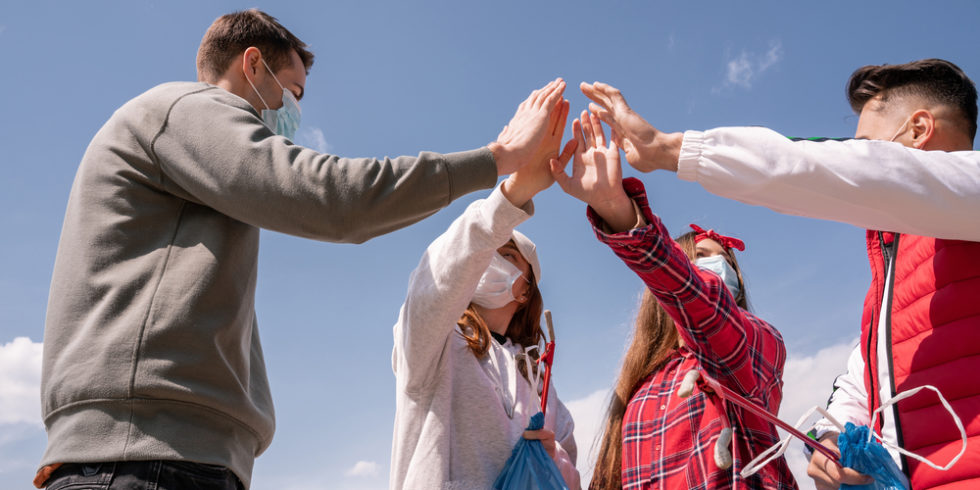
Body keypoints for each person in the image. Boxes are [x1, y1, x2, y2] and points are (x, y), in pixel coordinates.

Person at [35, 9, 570, 490]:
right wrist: (496, 159)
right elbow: (338, 200)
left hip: (172, 458)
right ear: (252, 66)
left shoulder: (202, 178)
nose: (292, 112)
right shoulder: (185, 111)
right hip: (136, 459)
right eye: (292, 91)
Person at [578, 59, 980, 488]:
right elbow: (861, 381)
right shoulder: (885, 287)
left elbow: (845, 172)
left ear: (918, 131)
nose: (850, 155)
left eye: (861, 145)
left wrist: (672, 150)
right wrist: (829, 434)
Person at [552, 112, 796, 488]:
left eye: (724, 260)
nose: (714, 268)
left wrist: (619, 212)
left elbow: (701, 303)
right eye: (697, 259)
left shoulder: (756, 341)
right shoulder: (642, 382)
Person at [390, 103, 581, 489]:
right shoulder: (435, 343)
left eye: (507, 254)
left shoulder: (539, 378)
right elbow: (435, 280)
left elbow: (571, 472)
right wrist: (511, 196)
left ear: (525, 289)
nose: (490, 259)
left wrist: (555, 460)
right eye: (488, 251)